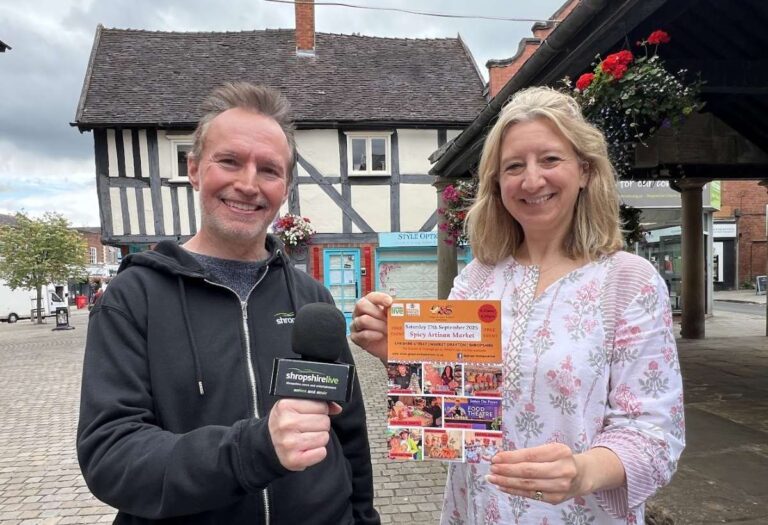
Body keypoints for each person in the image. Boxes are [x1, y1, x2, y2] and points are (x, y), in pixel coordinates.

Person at [350, 87, 684, 524]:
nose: (531, 180)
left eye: (549, 159)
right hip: (477, 510)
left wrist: (584, 470)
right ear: (497, 183)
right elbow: (452, 407)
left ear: (584, 170)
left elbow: (656, 434)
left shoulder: (628, 282)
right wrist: (398, 352)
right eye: (514, 166)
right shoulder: (477, 280)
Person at [77, 82, 379, 525]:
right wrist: (252, 451)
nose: (248, 184)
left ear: (286, 186)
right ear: (195, 169)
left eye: (269, 170)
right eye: (230, 161)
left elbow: (350, 436)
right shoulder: (133, 297)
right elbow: (111, 455)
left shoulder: (311, 297)